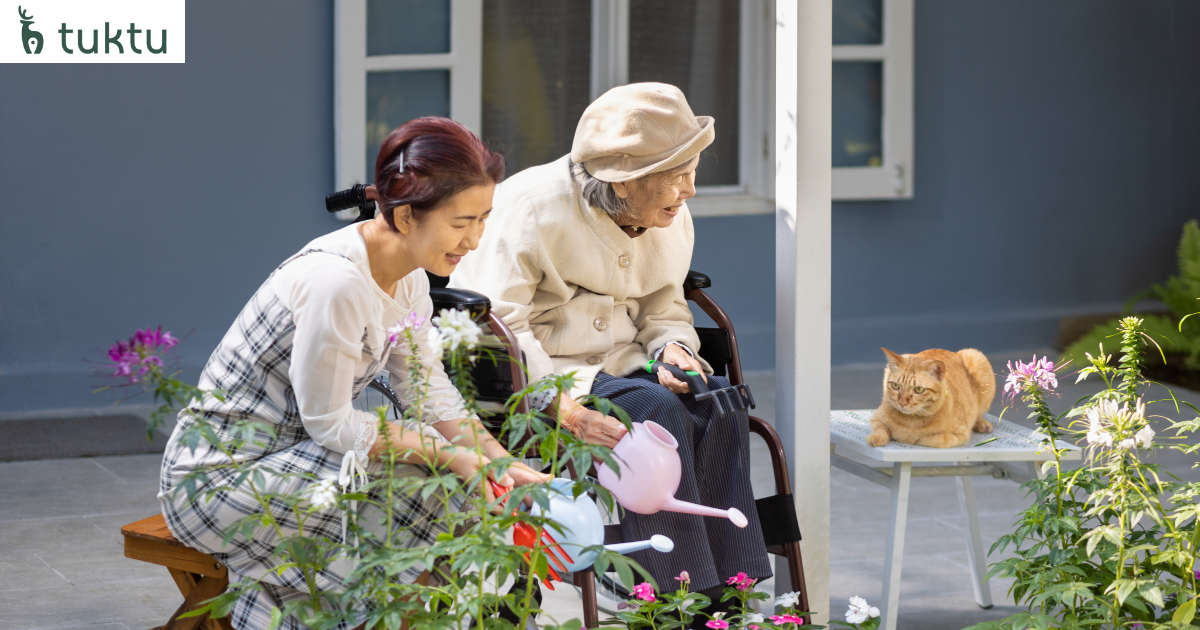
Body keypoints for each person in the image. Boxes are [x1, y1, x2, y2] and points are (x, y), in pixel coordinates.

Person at [158, 117, 549, 630]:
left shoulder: (408, 277)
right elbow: (331, 424)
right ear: (406, 216)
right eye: (461, 223)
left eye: (483, 220)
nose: (474, 240)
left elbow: (426, 389)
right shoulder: (335, 282)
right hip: (221, 480)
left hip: (299, 458)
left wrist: (498, 461)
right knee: (424, 493)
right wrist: (449, 453)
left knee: (454, 490)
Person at [449, 83, 771, 604]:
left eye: (694, 170)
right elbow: (498, 325)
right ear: (623, 183)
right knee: (654, 412)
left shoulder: (669, 214)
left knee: (718, 399)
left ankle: (731, 591)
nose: (689, 189)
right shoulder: (531, 209)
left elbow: (665, 307)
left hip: (626, 361)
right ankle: (669, 596)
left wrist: (674, 348)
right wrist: (567, 409)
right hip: (549, 373)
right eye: (676, 176)